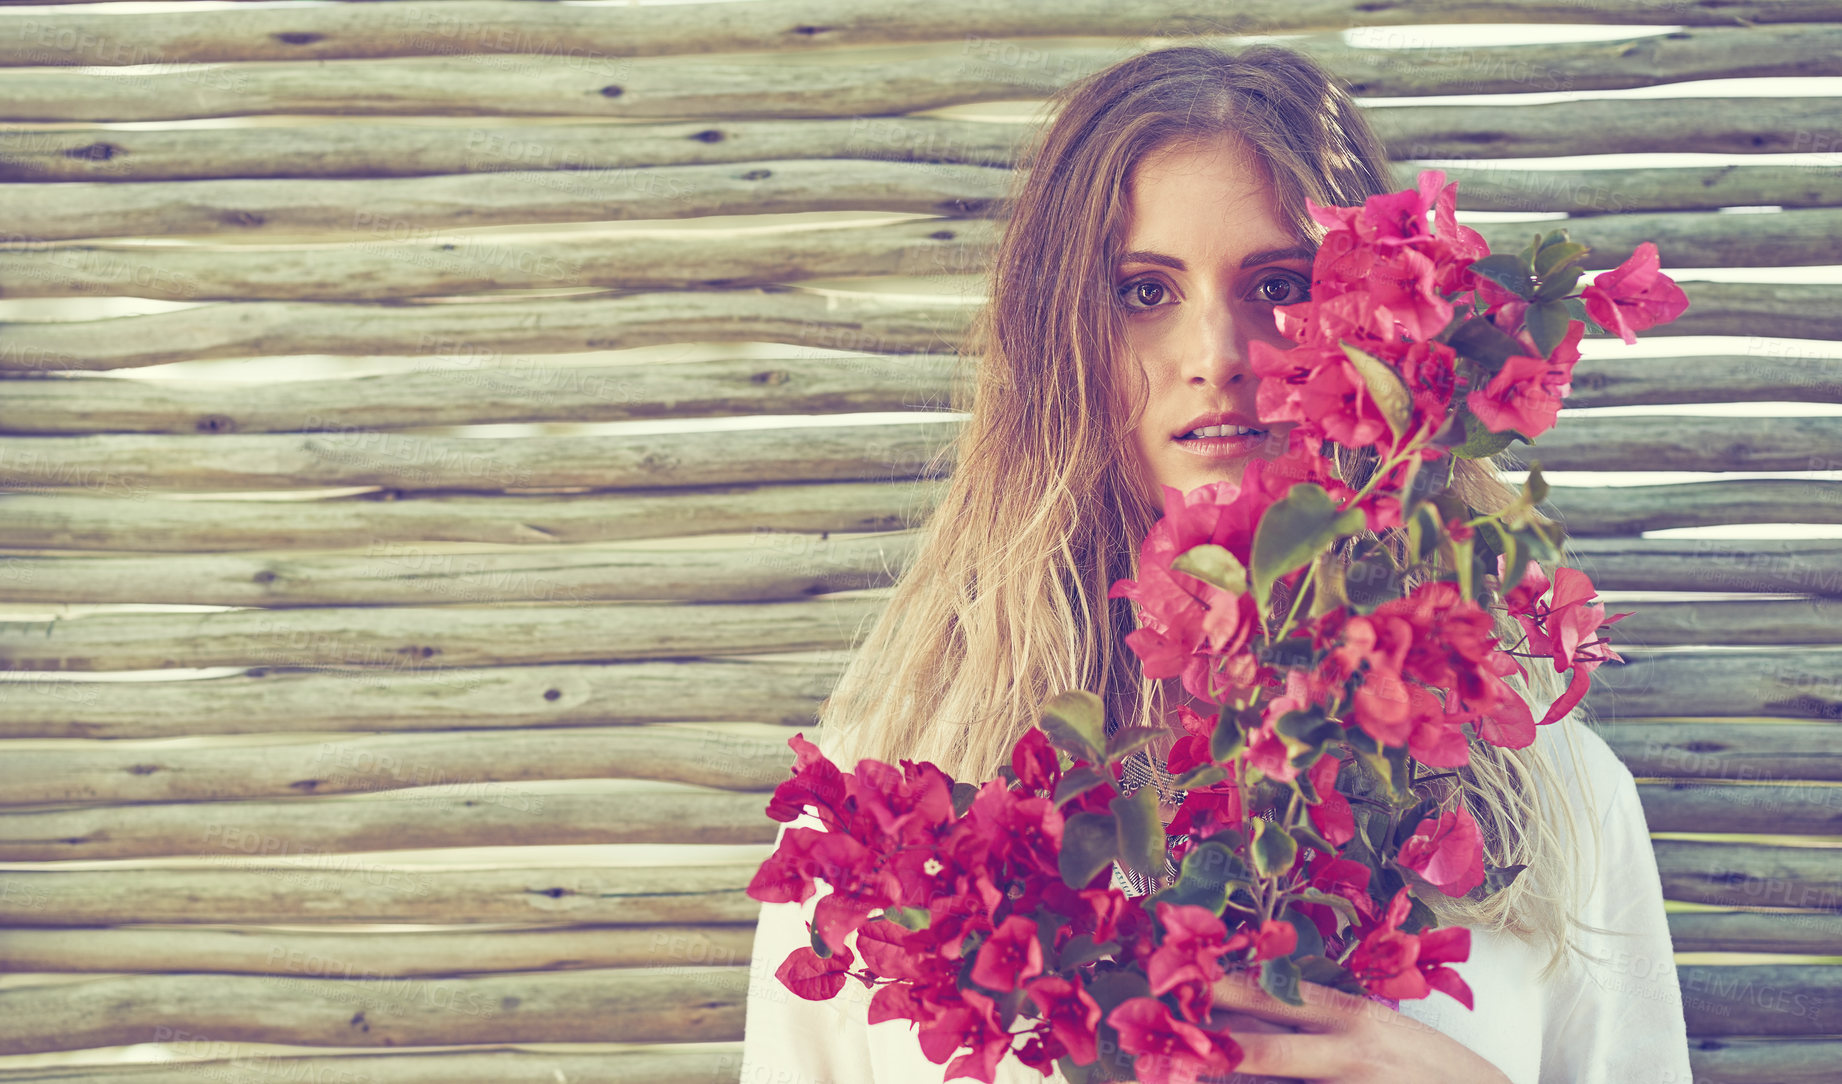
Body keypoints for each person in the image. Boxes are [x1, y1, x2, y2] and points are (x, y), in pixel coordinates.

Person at [738, 43, 1690, 1084]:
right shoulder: (892, 801)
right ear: (1060, 340)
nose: (1215, 355)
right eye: (1142, 291)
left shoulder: (1559, 809)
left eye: (1279, 284)